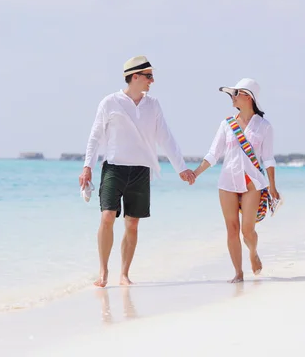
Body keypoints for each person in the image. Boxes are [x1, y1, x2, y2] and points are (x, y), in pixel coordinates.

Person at [79, 55, 196, 287]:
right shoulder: (109, 102)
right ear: (135, 77)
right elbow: (95, 136)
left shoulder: (153, 105)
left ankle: (124, 274)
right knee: (107, 217)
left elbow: (166, 137)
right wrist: (87, 166)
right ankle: (103, 272)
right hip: (114, 167)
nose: (152, 81)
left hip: (142, 170)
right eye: (149, 76)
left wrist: (181, 168)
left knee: (132, 224)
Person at [193, 78, 280, 283]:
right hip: (227, 182)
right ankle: (238, 273)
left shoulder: (264, 127)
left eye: (235, 94)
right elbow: (213, 154)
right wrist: (195, 173)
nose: (231, 98)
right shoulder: (227, 124)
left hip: (252, 183)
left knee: (247, 231)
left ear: (247, 97)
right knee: (231, 228)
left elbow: (268, 158)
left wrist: (273, 187)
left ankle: (253, 252)